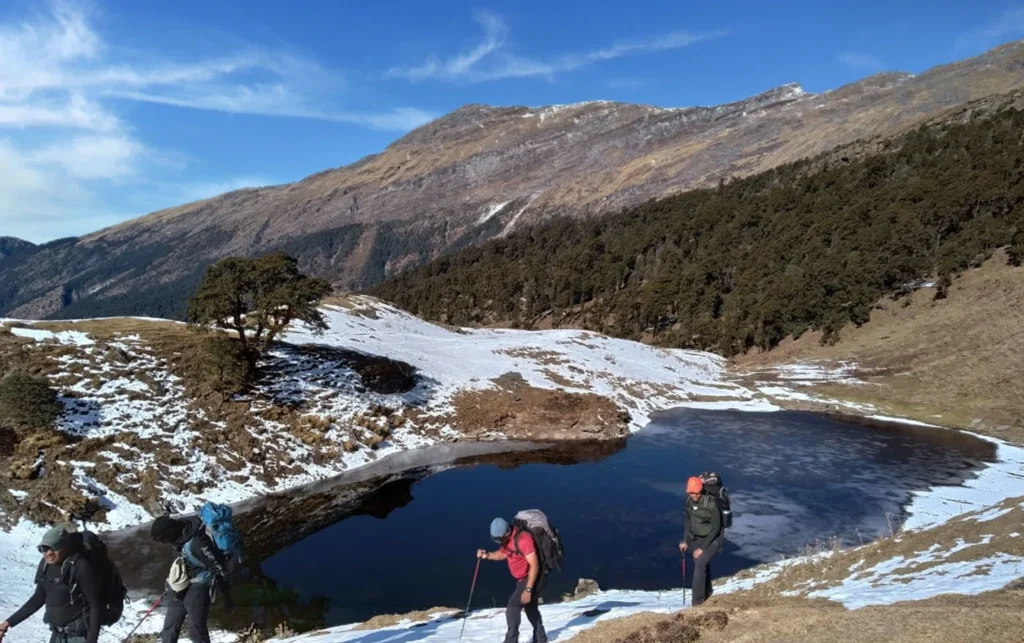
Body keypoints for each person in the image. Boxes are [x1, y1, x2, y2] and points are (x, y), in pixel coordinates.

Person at [0, 526, 104, 643]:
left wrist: (92, 640)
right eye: (44, 548)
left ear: (66, 546)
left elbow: (95, 605)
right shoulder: (45, 566)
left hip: (78, 637)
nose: (49, 553)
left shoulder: (80, 566)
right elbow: (38, 599)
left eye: (55, 547)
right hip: (57, 636)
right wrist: (7, 624)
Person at [150, 515, 231, 643]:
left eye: (163, 540)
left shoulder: (198, 543)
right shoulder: (179, 538)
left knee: (196, 631)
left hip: (199, 583)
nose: (164, 543)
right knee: (169, 628)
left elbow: (217, 566)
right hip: (182, 584)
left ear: (169, 533)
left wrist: (226, 593)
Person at [477, 517, 548, 643]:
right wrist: (487, 555)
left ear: (507, 533)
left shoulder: (523, 540)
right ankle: (540, 638)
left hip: (531, 578)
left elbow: (534, 565)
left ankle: (511, 640)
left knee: (512, 607)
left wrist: (528, 589)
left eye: (499, 539)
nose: (499, 542)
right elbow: (502, 554)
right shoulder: (507, 540)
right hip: (522, 580)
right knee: (530, 608)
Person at [678, 476, 722, 606]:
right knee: (702, 564)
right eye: (691, 493)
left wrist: (702, 548)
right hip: (696, 539)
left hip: (713, 539)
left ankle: (697, 602)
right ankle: (708, 592)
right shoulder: (689, 502)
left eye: (696, 493)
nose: (693, 495)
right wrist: (685, 540)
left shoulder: (710, 504)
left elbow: (716, 528)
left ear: (701, 490)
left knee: (700, 564)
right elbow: (688, 522)